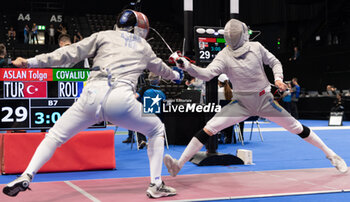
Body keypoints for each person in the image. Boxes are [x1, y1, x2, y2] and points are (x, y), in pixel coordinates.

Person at [3, 9, 183, 198]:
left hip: (91, 95)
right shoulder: (144, 47)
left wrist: (31, 62)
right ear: (140, 29)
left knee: (54, 136)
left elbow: (69, 52)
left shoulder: (102, 36)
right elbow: (163, 70)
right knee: (155, 129)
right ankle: (156, 183)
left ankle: (27, 174)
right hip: (121, 99)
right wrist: (177, 75)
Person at [164, 18, 348, 177]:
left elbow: (274, 62)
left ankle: (331, 154)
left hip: (264, 101)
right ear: (243, 34)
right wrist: (187, 66)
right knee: (209, 128)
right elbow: (206, 74)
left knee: (297, 128)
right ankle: (178, 165)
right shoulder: (223, 55)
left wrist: (278, 78)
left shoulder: (256, 47)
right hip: (240, 104)